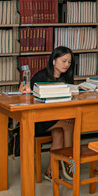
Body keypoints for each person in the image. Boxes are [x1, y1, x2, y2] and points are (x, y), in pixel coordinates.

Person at [19, 46, 76, 181]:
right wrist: (24, 89)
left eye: (69, 62)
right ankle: (69, 161)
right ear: (53, 61)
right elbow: (25, 90)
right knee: (68, 125)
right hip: (40, 120)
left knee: (58, 134)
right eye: (64, 61)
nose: (67, 65)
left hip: (57, 118)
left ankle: (51, 171)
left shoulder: (67, 77)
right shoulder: (41, 76)